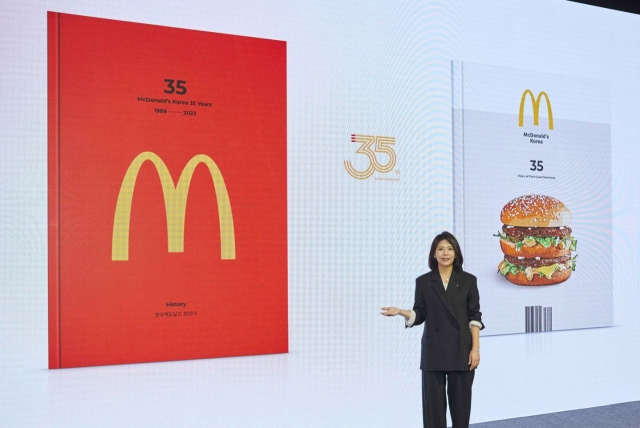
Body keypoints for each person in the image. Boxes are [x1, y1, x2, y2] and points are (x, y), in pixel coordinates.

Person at [381, 231, 484, 428]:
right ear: (433, 254)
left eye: (449, 249)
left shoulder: (469, 281)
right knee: (433, 412)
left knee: (461, 410)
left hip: (461, 351)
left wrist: (475, 349)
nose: (445, 253)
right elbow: (420, 314)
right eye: (440, 249)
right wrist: (401, 312)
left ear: (456, 253)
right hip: (433, 350)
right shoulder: (424, 282)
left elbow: (474, 317)